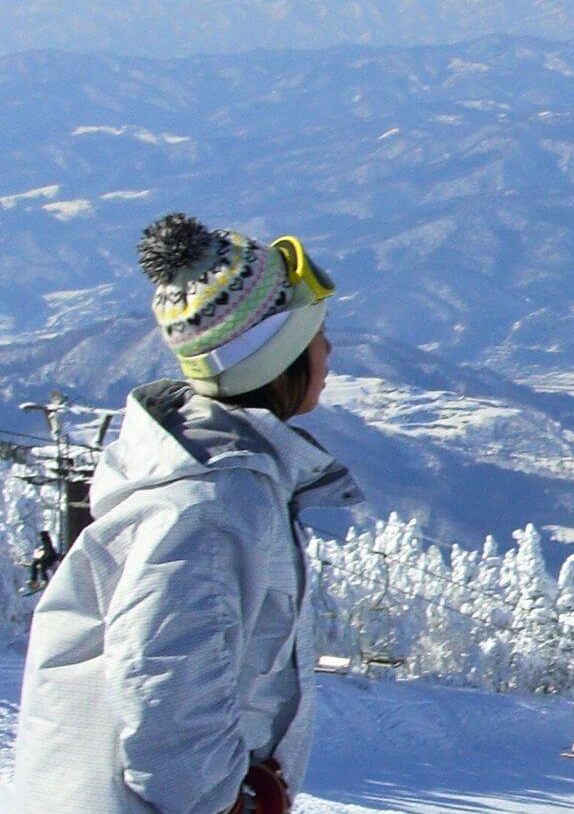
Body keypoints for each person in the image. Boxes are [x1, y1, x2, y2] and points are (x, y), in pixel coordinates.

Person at [15, 214, 363, 813]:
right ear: (275, 356)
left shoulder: (221, 482)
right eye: (316, 333)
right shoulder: (209, 507)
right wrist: (230, 802)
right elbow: (166, 691)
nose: (329, 350)